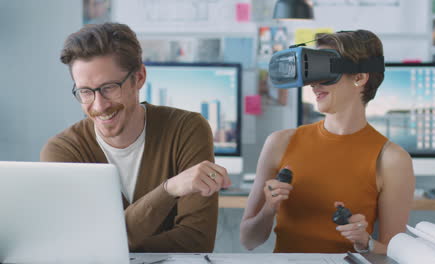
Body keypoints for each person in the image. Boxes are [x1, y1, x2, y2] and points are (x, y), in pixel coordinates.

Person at [40, 22, 231, 253]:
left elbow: (196, 241)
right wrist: (169, 189)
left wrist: (108, 245)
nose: (99, 105)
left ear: (139, 77)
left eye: (109, 88)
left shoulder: (187, 129)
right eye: (85, 92)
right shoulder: (63, 151)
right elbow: (77, 245)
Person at [240, 30, 415, 254]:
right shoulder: (280, 143)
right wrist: (268, 209)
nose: (314, 84)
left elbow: (394, 255)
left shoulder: (392, 159)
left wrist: (364, 242)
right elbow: (248, 240)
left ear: (360, 77)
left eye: (325, 71)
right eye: (313, 74)